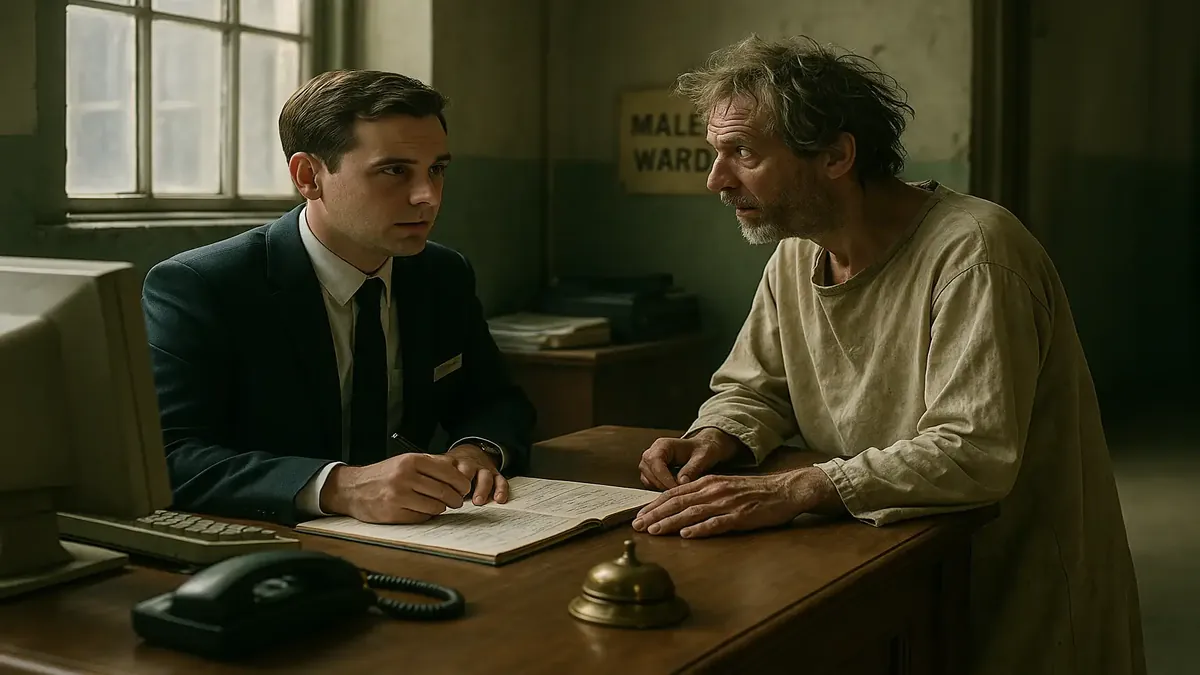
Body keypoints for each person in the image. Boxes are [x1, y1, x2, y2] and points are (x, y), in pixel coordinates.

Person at [632, 36, 1145, 675]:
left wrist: (798, 488)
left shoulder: (976, 253)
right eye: (716, 154)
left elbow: (972, 451)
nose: (717, 179)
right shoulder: (796, 252)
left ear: (837, 155)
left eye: (743, 153)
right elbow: (754, 386)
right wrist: (717, 432)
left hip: (1006, 579)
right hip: (885, 562)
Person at [142, 70, 535, 527]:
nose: (427, 196)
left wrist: (476, 448)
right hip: (270, 545)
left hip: (427, 539)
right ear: (309, 176)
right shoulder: (201, 285)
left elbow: (496, 400)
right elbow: (169, 456)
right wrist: (339, 486)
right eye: (393, 170)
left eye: (437, 169)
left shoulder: (443, 274)